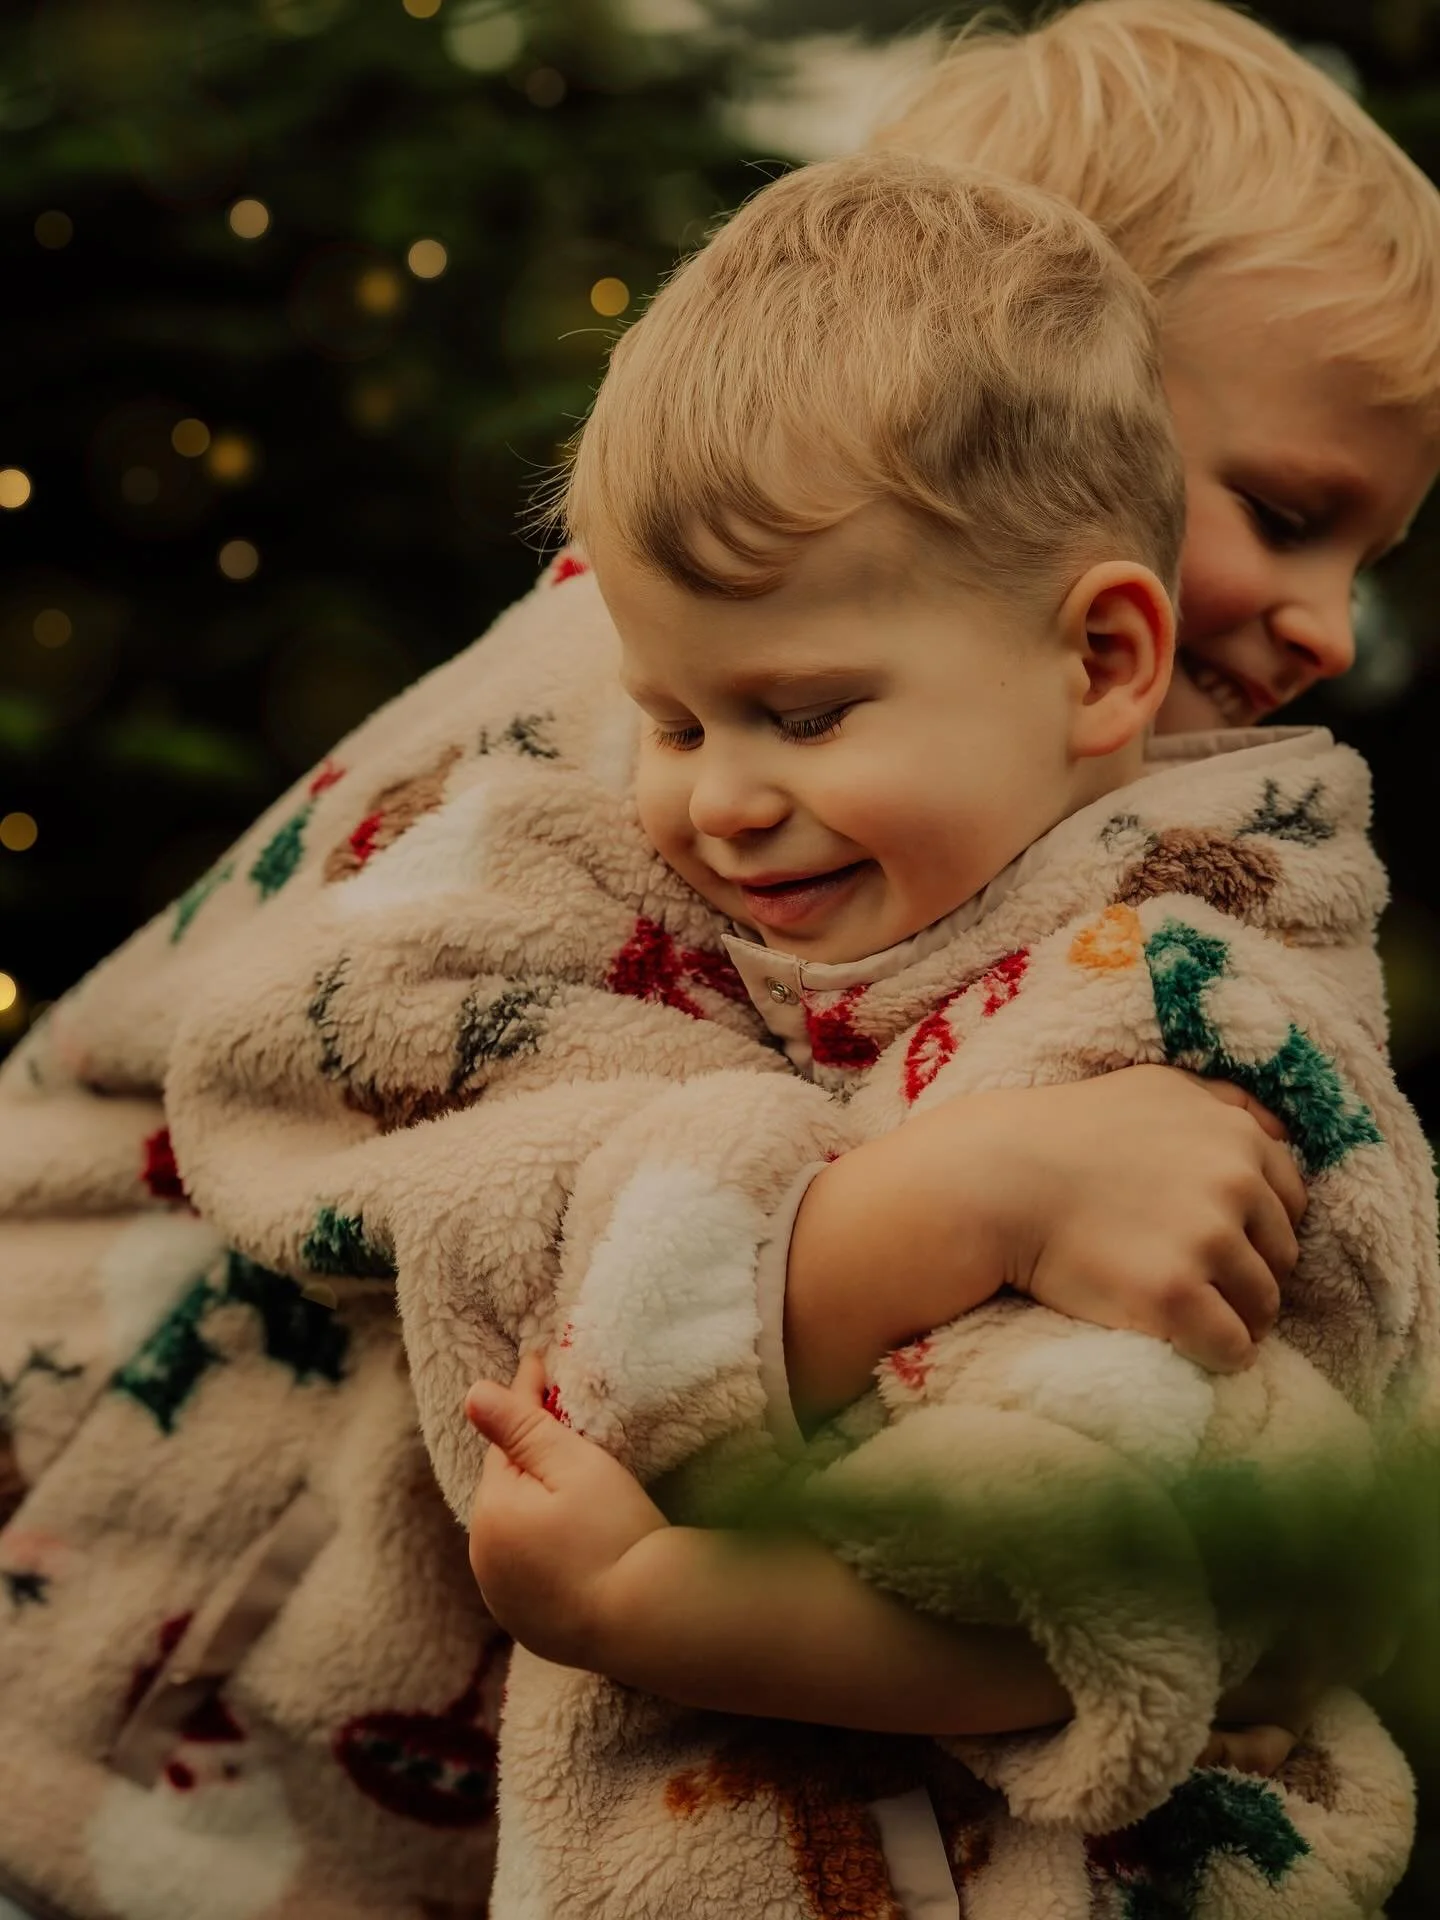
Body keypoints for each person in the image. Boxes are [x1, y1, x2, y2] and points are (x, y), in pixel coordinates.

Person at [0, 3, 1435, 1917]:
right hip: (95, 1622)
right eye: (1282, 510)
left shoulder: (1166, 861)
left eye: (1373, 552)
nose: (1331, 624)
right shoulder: (636, 690)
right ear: (1007, 368)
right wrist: (957, 1208)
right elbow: (389, 1127)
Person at [459, 146, 1436, 1920]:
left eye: (806, 715)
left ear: (1099, 663)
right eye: (672, 720)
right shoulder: (867, 897)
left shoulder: (1159, 1017)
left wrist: (639, 1610)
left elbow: (1101, 1601)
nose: (717, 803)